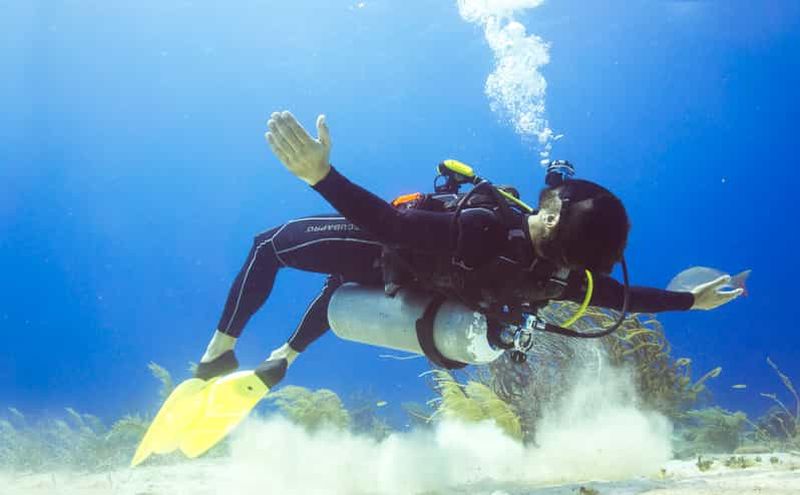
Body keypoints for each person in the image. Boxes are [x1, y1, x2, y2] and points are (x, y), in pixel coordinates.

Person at [131, 111, 743, 465]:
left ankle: (218, 357)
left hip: (388, 257)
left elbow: (393, 225)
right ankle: (282, 360)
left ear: (554, 218)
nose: (555, 188)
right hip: (427, 296)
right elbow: (626, 299)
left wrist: (323, 177)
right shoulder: (558, 278)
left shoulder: (486, 227)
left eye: (562, 197)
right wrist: (691, 299)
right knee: (342, 289)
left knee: (272, 244)